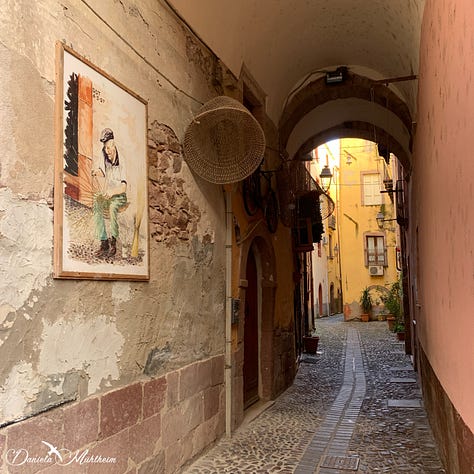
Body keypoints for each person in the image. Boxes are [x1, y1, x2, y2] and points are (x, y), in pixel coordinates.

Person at [92, 128, 127, 258]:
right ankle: (103, 241)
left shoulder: (122, 160)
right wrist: (96, 172)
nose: (107, 152)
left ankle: (113, 242)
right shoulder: (104, 154)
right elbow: (104, 172)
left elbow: (123, 187)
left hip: (119, 196)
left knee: (112, 207)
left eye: (109, 148)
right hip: (108, 194)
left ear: (113, 145)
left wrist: (112, 192)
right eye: (105, 149)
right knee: (96, 201)